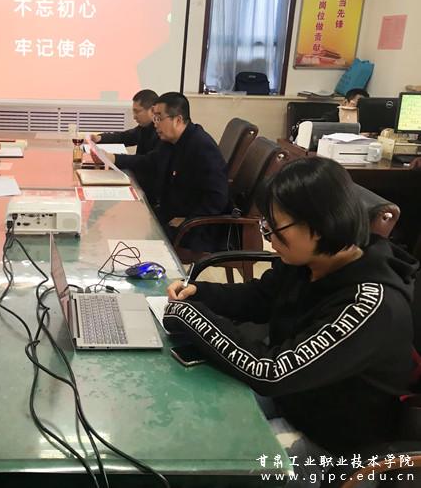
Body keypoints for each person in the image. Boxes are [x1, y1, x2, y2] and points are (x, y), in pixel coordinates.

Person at [163, 157, 417, 468]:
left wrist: (189, 316)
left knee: (205, 458)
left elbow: (270, 371)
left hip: (331, 446)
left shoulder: (368, 305)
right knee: (184, 413)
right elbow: (259, 297)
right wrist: (199, 293)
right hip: (294, 400)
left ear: (319, 226)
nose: (269, 237)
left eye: (275, 227)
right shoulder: (311, 261)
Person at [92, 92, 230, 252]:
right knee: (119, 223)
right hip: (170, 212)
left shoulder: (202, 146)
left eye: (158, 118)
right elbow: (150, 161)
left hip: (198, 228)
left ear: (177, 120)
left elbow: (218, 197)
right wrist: (113, 159)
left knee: (130, 236)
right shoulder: (171, 141)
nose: (155, 123)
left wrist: (188, 220)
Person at [89, 89, 160, 155]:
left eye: (137, 111)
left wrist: (114, 158)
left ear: (152, 110)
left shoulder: (160, 133)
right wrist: (99, 138)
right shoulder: (144, 127)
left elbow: (146, 160)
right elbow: (124, 137)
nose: (134, 117)